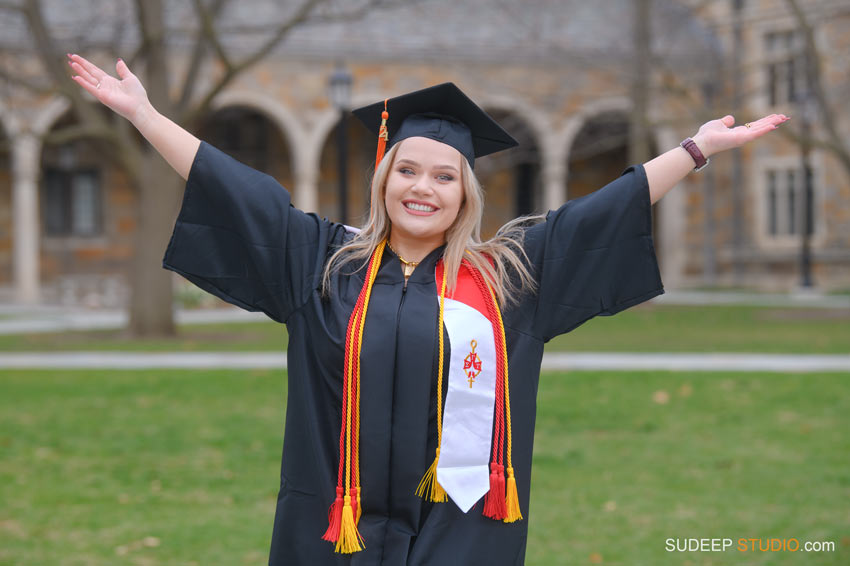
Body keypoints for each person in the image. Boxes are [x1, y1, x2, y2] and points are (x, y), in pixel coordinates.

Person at [68, 53, 788, 566]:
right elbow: (240, 191)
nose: (424, 187)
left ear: (465, 194)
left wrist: (695, 149)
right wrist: (144, 115)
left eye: (445, 175)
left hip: (460, 537)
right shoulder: (322, 267)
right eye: (408, 170)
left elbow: (596, 217)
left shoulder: (510, 279)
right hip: (334, 529)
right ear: (385, 179)